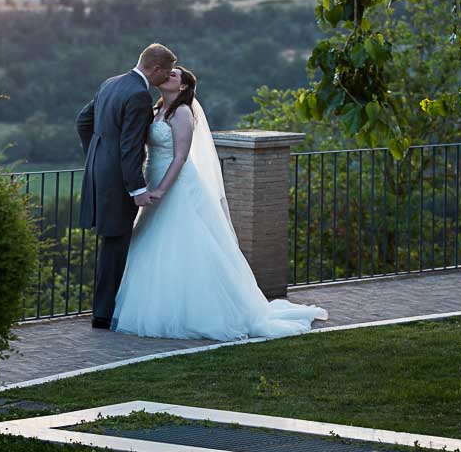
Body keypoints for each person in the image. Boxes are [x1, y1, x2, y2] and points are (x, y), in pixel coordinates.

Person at [112, 66, 327, 340]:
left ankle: (198, 311)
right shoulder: (157, 112)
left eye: (174, 75)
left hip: (176, 185)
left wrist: (163, 190)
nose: (167, 75)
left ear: (183, 88)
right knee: (150, 242)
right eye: (166, 72)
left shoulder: (182, 113)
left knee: (185, 244)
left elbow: (180, 157)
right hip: (154, 181)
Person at [77, 43, 177, 329]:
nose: (167, 77)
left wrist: (97, 156)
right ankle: (103, 315)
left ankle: (105, 309)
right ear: (155, 68)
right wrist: (137, 189)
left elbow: (83, 122)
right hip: (119, 181)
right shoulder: (138, 95)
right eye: (166, 72)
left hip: (100, 172)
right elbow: (130, 147)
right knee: (115, 243)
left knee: (112, 241)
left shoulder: (111, 83)